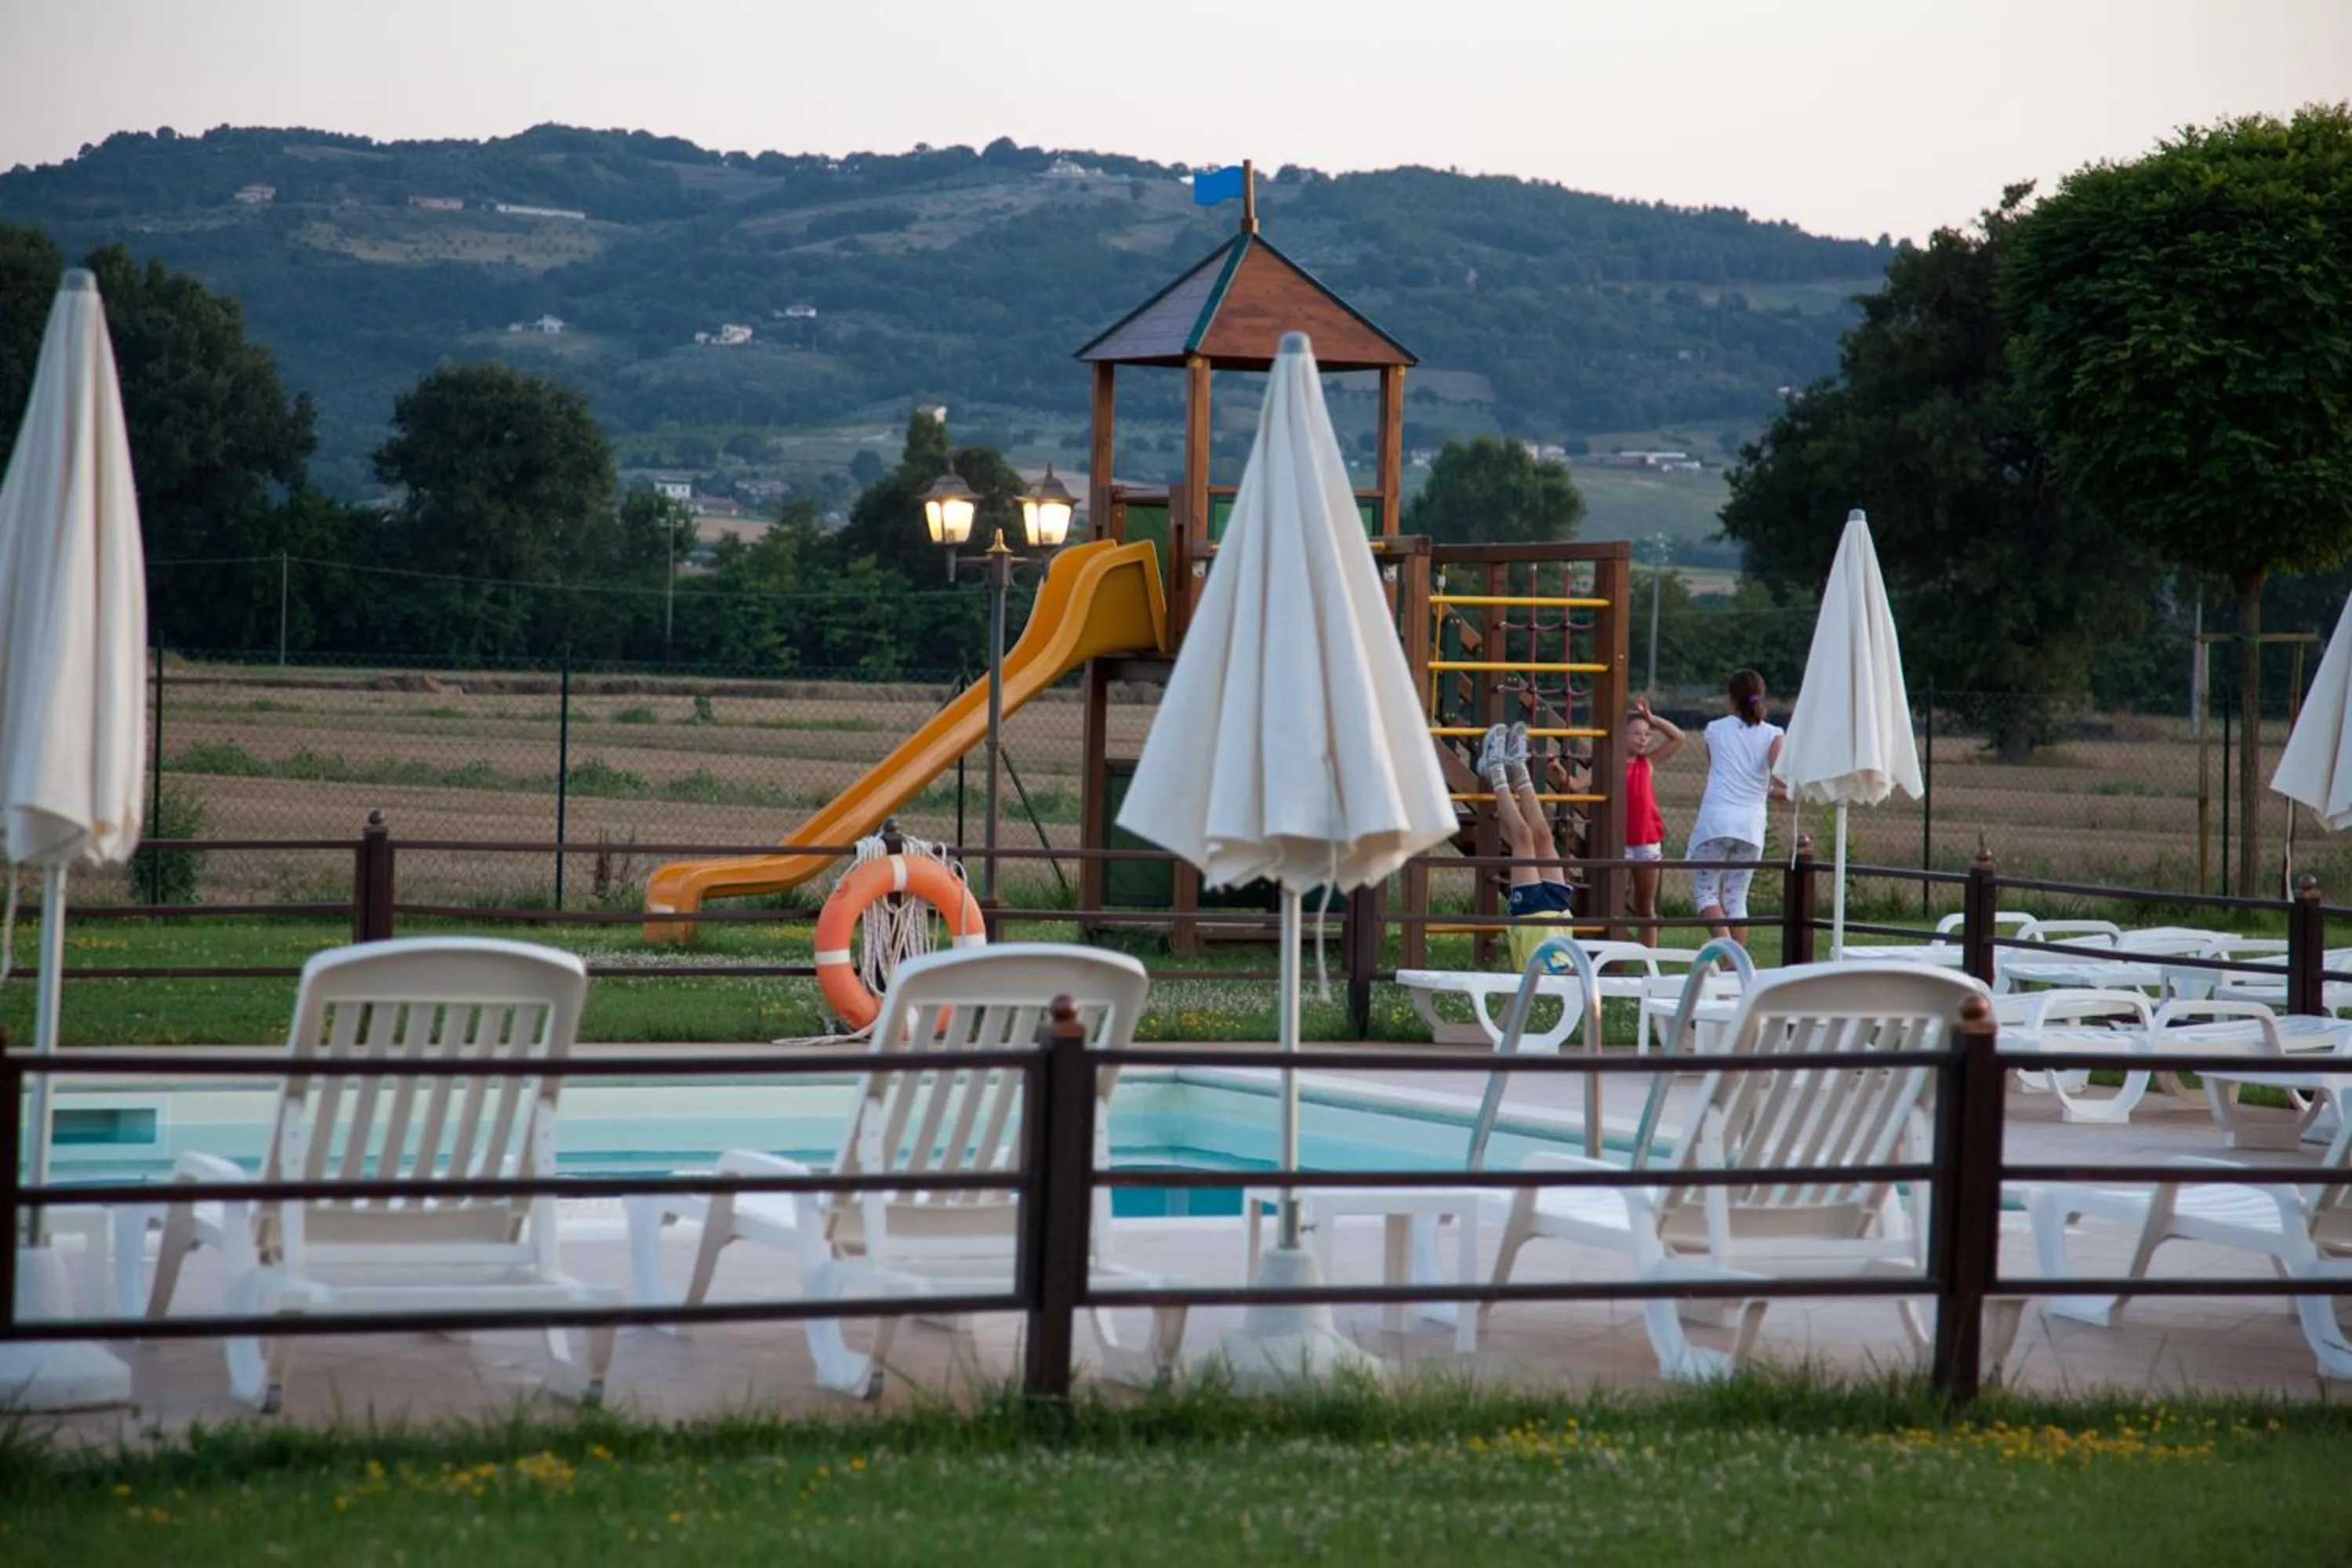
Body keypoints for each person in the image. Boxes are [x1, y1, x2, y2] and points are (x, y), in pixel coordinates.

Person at [1686, 669, 1786, 950]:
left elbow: (1719, 769)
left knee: (1706, 893)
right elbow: (1781, 781)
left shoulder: (1714, 730)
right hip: (1750, 827)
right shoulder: (1774, 734)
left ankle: (1729, 956)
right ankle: (1738, 963)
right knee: (1736, 898)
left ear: (1730, 698)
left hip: (1715, 823)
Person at [1478, 721, 1577, 968]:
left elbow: (1548, 971)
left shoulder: (1542, 982)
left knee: (1522, 835)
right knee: (1543, 834)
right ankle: (1518, 767)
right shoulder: (1573, 978)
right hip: (1560, 912)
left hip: (1531, 914)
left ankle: (1495, 769)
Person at [1621, 696, 1684, 946]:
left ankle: (1649, 960)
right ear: (1621, 735)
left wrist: (1652, 719)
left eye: (1647, 734)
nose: (1644, 738)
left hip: (1647, 843)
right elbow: (1576, 785)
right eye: (1636, 733)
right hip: (1621, 844)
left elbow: (1678, 738)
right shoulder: (1612, 766)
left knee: (1645, 907)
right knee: (1615, 903)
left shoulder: (1646, 763)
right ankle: (1611, 956)